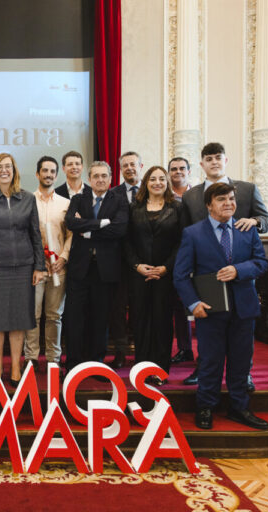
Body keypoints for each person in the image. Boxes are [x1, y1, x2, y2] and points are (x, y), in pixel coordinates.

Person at [173, 182, 268, 430]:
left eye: (231, 198)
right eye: (221, 199)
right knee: (210, 361)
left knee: (240, 361)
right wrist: (193, 304)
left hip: (244, 308)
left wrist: (239, 269)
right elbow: (180, 275)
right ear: (209, 205)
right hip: (209, 310)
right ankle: (205, 407)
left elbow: (261, 262)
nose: (228, 203)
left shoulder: (246, 229)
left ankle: (239, 408)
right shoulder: (193, 233)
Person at [180, 142, 268, 387]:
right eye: (208, 158)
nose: (214, 162)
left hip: (240, 274)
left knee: (242, 341)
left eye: (218, 157)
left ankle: (245, 375)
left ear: (225, 160)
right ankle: (203, 371)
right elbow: (186, 231)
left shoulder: (246, 189)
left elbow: (267, 220)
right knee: (209, 337)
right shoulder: (191, 195)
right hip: (207, 278)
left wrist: (253, 221)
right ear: (202, 164)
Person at [0, 153, 47, 386]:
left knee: (18, 319)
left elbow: (35, 234)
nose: (4, 170)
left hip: (23, 268)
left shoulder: (27, 199)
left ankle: (15, 366)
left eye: (8, 167)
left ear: (14, 171)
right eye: (0, 167)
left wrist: (39, 266)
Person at [63, 161, 128, 372]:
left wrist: (87, 230)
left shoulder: (119, 201)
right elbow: (70, 222)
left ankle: (96, 364)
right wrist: (101, 223)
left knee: (101, 318)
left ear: (110, 179)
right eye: (96, 176)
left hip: (105, 270)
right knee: (74, 318)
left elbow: (118, 229)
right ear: (89, 179)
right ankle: (73, 363)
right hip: (79, 269)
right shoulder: (78, 198)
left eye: (104, 176)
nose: (100, 180)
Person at [124, 166, 186, 385]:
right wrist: (137, 265)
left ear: (167, 182)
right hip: (139, 274)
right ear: (146, 182)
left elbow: (182, 241)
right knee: (140, 322)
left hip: (165, 275)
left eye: (162, 179)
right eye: (153, 179)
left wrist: (166, 267)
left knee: (162, 322)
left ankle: (160, 370)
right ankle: (141, 368)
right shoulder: (134, 208)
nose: (157, 182)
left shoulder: (177, 208)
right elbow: (126, 241)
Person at [24, 156, 72, 372]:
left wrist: (63, 258)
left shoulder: (66, 204)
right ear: (37, 174)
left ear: (56, 174)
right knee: (32, 314)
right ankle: (31, 357)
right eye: (44, 171)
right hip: (34, 268)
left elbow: (71, 234)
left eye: (52, 171)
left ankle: (53, 357)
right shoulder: (26, 201)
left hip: (57, 268)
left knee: (54, 315)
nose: (49, 174)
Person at [108, 151, 143, 368]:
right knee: (117, 309)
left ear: (141, 166)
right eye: (125, 165)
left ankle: (142, 352)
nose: (129, 168)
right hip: (118, 262)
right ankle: (120, 352)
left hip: (143, 262)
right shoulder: (113, 194)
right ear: (120, 169)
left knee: (141, 309)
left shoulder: (151, 191)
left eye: (133, 164)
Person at [168, 157, 194, 364]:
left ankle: (206, 353)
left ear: (189, 171)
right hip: (173, 257)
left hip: (198, 257)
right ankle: (184, 349)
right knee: (178, 305)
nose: (178, 172)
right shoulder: (165, 196)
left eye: (182, 168)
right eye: (173, 169)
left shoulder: (198, 195)